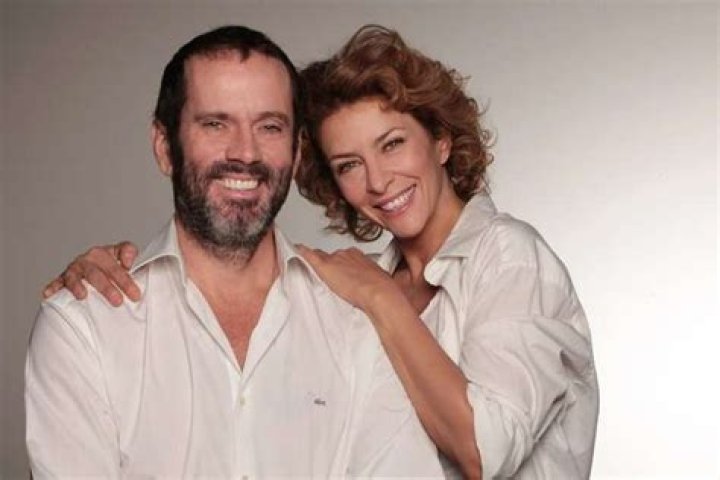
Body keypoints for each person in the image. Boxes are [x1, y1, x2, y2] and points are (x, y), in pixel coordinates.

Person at [43, 25, 599, 479]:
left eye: (392, 144)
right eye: (349, 165)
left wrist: (381, 301)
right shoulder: (355, 286)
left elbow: (486, 451)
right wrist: (112, 274)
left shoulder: (508, 258)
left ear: (441, 140)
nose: (378, 181)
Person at [26, 25, 443, 478]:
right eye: (215, 124)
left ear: (296, 153)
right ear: (165, 148)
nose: (245, 152)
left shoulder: (357, 323)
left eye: (269, 126)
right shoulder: (84, 326)